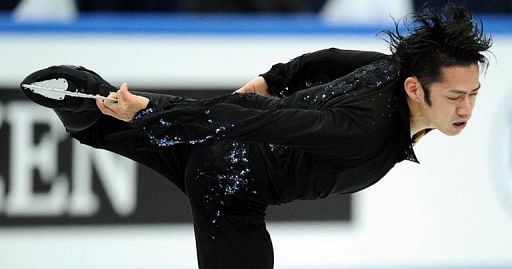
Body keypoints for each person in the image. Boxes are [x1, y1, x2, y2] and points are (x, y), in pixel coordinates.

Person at [20, 4, 491, 269]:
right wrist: (152, 111)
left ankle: (85, 104)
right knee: (182, 137)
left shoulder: (389, 69)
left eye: (473, 93)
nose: (466, 108)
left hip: (229, 146)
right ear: (416, 88)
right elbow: (259, 124)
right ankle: (98, 107)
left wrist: (272, 78)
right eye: (454, 96)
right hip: (233, 181)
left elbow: (322, 58)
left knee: (106, 121)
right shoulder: (363, 132)